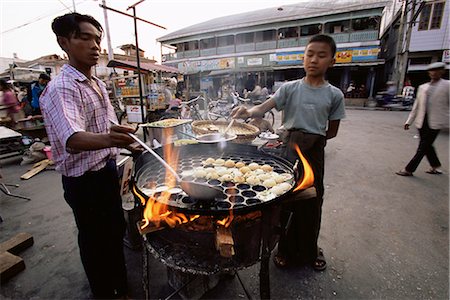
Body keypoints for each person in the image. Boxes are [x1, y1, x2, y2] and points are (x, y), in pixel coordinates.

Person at [40, 13, 138, 298]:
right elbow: (73, 138)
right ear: (64, 42)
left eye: (97, 39)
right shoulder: (62, 87)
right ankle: (105, 292)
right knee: (95, 241)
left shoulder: (96, 83)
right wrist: (112, 138)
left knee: (115, 230)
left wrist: (123, 136)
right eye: (85, 38)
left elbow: (104, 125)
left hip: (105, 171)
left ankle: (122, 287)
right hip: (83, 182)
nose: (95, 46)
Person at [231, 34, 345, 271]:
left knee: (313, 202)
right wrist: (246, 112)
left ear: (332, 62)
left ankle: (311, 249)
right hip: (288, 150)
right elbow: (262, 108)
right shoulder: (290, 89)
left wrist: (312, 139)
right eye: (309, 54)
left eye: (321, 55)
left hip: (314, 153)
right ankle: (284, 249)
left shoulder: (335, 95)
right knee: (284, 200)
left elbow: (331, 131)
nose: (313, 60)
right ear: (303, 58)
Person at [396, 62, 449, 176]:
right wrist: (409, 121)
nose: (434, 73)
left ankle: (409, 169)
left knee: (423, 147)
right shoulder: (423, 87)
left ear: (442, 71)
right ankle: (436, 166)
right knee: (427, 146)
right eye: (432, 70)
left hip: (436, 122)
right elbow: (416, 106)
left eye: (437, 70)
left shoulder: (447, 85)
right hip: (422, 121)